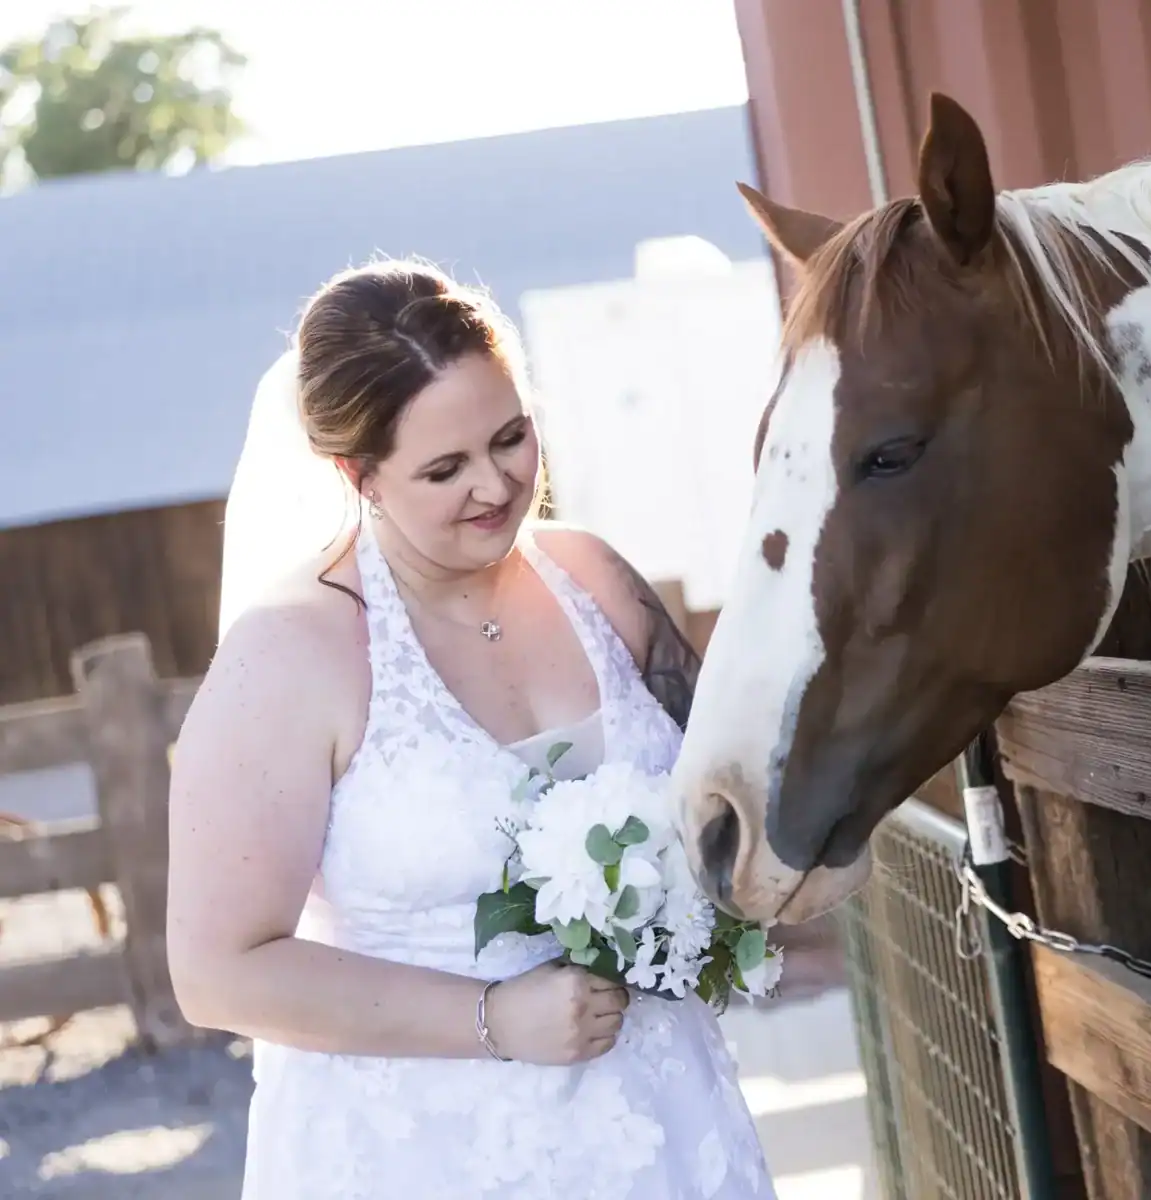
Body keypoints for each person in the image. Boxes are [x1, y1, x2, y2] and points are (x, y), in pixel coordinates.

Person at [164, 258, 778, 1199]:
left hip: (662, 1124)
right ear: (355, 473)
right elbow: (216, 972)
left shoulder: (598, 583)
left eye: (511, 438)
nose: (496, 486)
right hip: (426, 1150)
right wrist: (492, 1018)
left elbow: (729, 797)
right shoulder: (288, 656)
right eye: (445, 468)